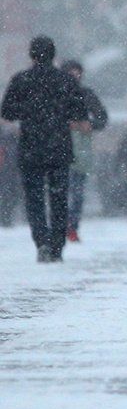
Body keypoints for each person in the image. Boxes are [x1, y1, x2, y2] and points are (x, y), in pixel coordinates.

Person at [0, 36, 88, 262]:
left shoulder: (21, 80)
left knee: (34, 199)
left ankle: (41, 241)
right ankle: (57, 245)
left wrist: (29, 111)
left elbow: (7, 111)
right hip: (59, 146)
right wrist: (59, 113)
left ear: (31, 55)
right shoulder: (66, 81)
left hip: (31, 147)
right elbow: (79, 111)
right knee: (59, 198)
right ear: (53, 54)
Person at [61, 60, 108, 243]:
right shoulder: (56, 95)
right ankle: (63, 225)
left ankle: (72, 226)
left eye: (77, 73)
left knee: (77, 192)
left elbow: (102, 118)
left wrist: (90, 125)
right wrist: (66, 125)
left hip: (80, 150)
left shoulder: (86, 95)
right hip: (60, 150)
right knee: (63, 191)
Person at [0, 124, 21, 227]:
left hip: (13, 166)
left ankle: (6, 216)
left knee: (11, 192)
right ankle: (5, 216)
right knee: (6, 192)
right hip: (7, 166)